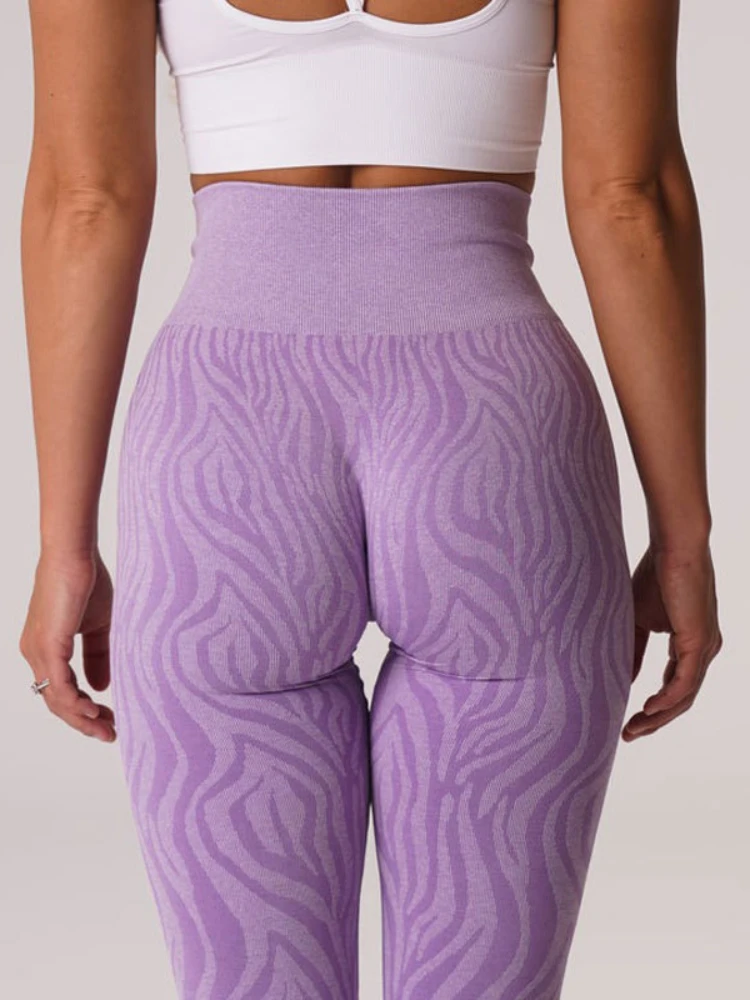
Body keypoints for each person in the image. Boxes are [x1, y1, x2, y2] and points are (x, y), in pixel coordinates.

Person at [18, 1, 723, 998]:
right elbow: (629, 198)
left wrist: (65, 545)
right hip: (493, 437)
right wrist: (683, 538)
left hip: (226, 446)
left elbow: (84, 200)